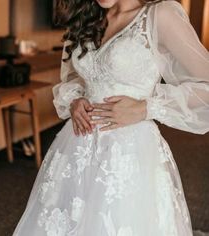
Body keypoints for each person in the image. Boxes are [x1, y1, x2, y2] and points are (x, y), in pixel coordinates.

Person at [12, 0, 209, 235]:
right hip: (77, 148)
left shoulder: (160, 15)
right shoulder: (87, 16)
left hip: (129, 154)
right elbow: (75, 76)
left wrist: (146, 107)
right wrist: (75, 100)